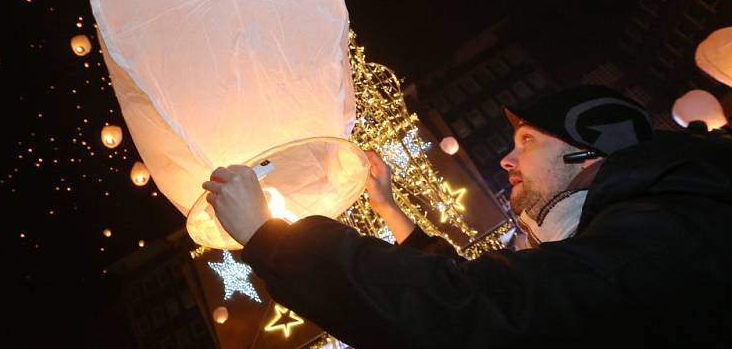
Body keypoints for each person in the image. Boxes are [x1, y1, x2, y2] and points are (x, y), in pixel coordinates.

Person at [202, 85, 732, 348]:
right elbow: (495, 297)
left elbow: (479, 311)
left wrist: (271, 239)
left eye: (527, 141)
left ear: (587, 152)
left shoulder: (665, 236)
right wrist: (390, 208)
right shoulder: (650, 222)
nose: (506, 159)